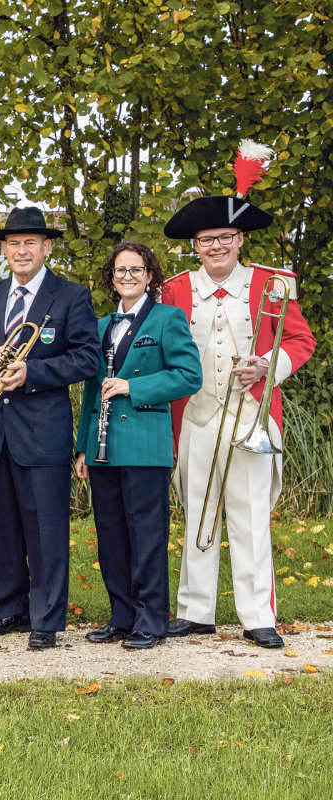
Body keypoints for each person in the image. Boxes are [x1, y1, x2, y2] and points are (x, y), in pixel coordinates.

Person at [161, 141, 315, 648]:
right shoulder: (175, 290)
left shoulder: (275, 284)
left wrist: (268, 366)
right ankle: (195, 610)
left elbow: (301, 340)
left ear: (241, 240)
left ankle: (256, 615)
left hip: (251, 417)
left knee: (249, 516)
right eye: (207, 240)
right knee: (198, 512)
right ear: (196, 245)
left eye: (226, 238)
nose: (217, 247)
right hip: (197, 418)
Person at [0, 206, 99, 649]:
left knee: (45, 528)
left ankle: (45, 619)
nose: (21, 251)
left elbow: (86, 357)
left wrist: (33, 373)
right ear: (4, 250)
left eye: (29, 243)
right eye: (13, 244)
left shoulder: (70, 295)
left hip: (42, 429)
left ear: (46, 247)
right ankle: (6, 610)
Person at [73, 241, 202, 650]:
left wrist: (134, 386)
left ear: (150, 275)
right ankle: (121, 616)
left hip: (146, 444)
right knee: (110, 533)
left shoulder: (168, 319)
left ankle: (151, 620)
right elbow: (92, 392)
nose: (127, 276)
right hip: (103, 446)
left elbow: (189, 376)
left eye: (136, 269)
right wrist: (82, 447)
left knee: (147, 534)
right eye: (120, 270)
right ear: (112, 278)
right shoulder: (100, 325)